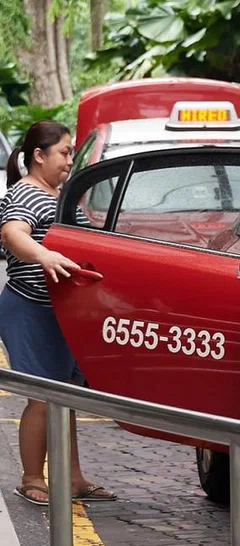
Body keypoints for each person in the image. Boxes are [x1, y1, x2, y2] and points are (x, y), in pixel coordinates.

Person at [0, 120, 116, 506]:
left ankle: (71, 477)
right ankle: (32, 477)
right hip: (29, 309)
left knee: (63, 394)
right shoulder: (25, 194)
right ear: (39, 155)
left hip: (61, 311)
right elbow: (13, 233)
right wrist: (44, 254)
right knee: (42, 397)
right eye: (64, 152)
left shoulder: (59, 193)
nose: (70, 160)